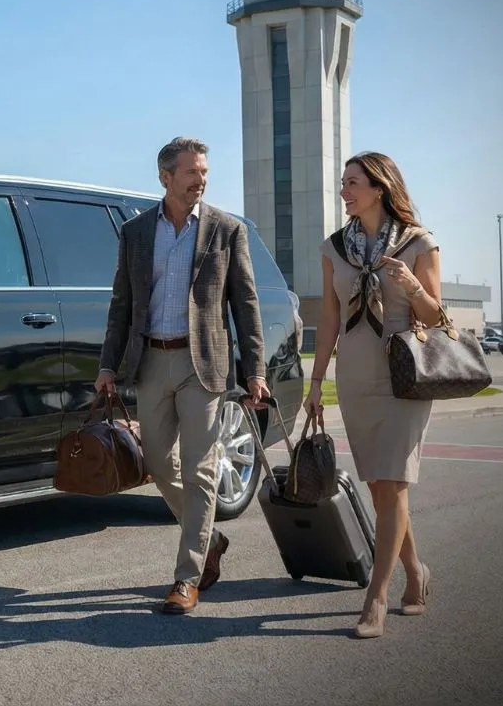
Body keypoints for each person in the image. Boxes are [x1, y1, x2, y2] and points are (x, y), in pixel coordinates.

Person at [96, 136, 269, 615]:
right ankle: (210, 537)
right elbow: (122, 305)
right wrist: (108, 365)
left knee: (200, 469)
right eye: (192, 172)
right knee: (156, 461)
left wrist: (255, 370)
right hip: (150, 360)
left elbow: (245, 304)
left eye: (205, 172)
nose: (201, 180)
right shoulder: (135, 233)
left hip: (203, 366)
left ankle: (186, 577)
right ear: (165, 176)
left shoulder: (226, 230)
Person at [305, 151, 442, 639]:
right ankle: (415, 571)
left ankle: (376, 599)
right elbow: (328, 321)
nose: (344, 191)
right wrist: (317, 381)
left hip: (403, 376)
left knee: (395, 483)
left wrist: (409, 283)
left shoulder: (418, 243)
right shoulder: (334, 248)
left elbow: (434, 318)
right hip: (355, 377)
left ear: (379, 188)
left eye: (353, 183)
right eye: (343, 182)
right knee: (380, 489)